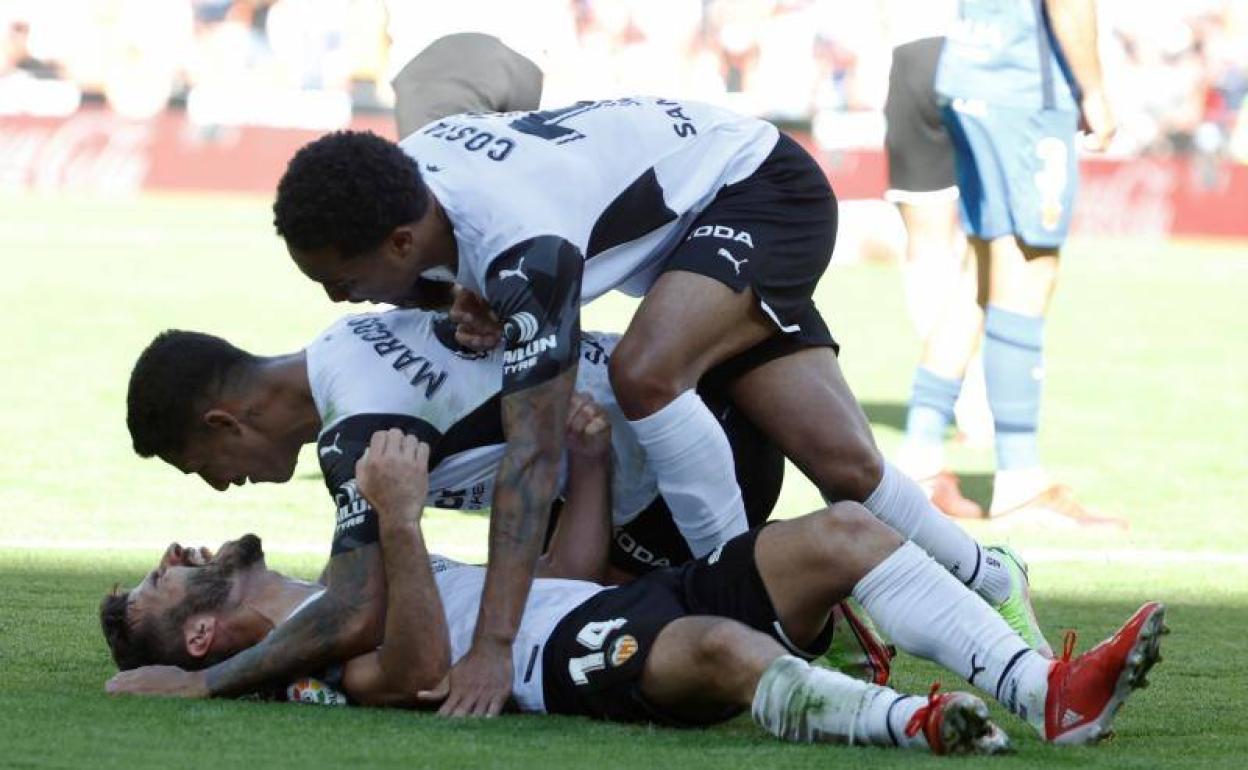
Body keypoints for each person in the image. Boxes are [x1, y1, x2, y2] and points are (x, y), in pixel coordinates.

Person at [270, 94, 1059, 713]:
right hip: (700, 216)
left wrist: (494, 644)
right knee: (846, 465)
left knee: (645, 373)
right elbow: (506, 212)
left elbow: (535, 458)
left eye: (338, 278)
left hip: (758, 191)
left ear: (400, 241)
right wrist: (458, 294)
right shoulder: (408, 174)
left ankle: (754, 598)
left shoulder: (523, 250)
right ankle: (991, 576)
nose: (343, 299)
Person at [904, 0, 1126, 525]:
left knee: (981, 272)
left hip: (969, 71)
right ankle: (1020, 480)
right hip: (1022, 87)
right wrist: (1094, 90)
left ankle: (918, 461)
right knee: (1029, 269)